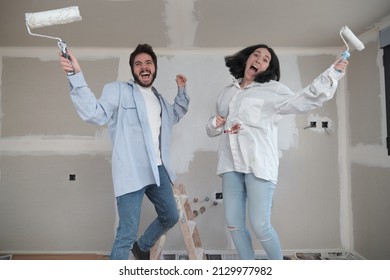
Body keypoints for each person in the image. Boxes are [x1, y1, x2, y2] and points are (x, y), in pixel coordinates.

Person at [206, 44, 348, 260]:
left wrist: (332, 75)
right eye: (256, 55)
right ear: (246, 59)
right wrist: (214, 123)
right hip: (230, 164)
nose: (259, 60)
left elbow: (304, 99)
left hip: (259, 166)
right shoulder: (226, 93)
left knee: (260, 225)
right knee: (234, 224)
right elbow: (214, 129)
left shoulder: (273, 90)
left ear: (268, 68)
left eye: (265, 59)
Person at [59, 44, 189, 260]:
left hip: (159, 170)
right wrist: (76, 75)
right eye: (138, 64)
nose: (144, 67)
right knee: (126, 234)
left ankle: (142, 246)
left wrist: (182, 91)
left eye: (148, 63)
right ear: (133, 70)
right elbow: (96, 113)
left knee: (170, 216)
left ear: (154, 68)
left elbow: (175, 114)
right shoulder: (118, 90)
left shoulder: (160, 101)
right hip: (131, 171)